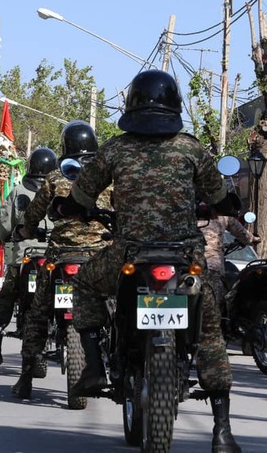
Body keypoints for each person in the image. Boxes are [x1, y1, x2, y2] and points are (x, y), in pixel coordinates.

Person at [55, 70, 242, 452]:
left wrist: (72, 209)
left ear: (132, 105)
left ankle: (93, 366)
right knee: (209, 331)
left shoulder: (115, 149)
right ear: (175, 105)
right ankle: (222, 429)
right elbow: (220, 198)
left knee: (85, 284)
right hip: (185, 256)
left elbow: (81, 196)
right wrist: (226, 204)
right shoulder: (191, 149)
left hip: (129, 252)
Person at [11, 121, 112, 399]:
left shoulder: (55, 177)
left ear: (65, 145)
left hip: (60, 254)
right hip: (99, 254)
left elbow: (34, 213)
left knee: (37, 314)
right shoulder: (107, 175)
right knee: (116, 302)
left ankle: (26, 377)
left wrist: (24, 232)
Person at [0, 146, 57, 374]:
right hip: (54, 256)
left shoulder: (19, 191)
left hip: (23, 256)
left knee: (7, 297)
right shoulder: (60, 191)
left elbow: (5, 224)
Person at [200, 212, 260, 313]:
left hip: (187, 261)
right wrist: (254, 239)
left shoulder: (188, 212)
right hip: (212, 265)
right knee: (215, 301)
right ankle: (218, 319)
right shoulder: (223, 215)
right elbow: (242, 233)